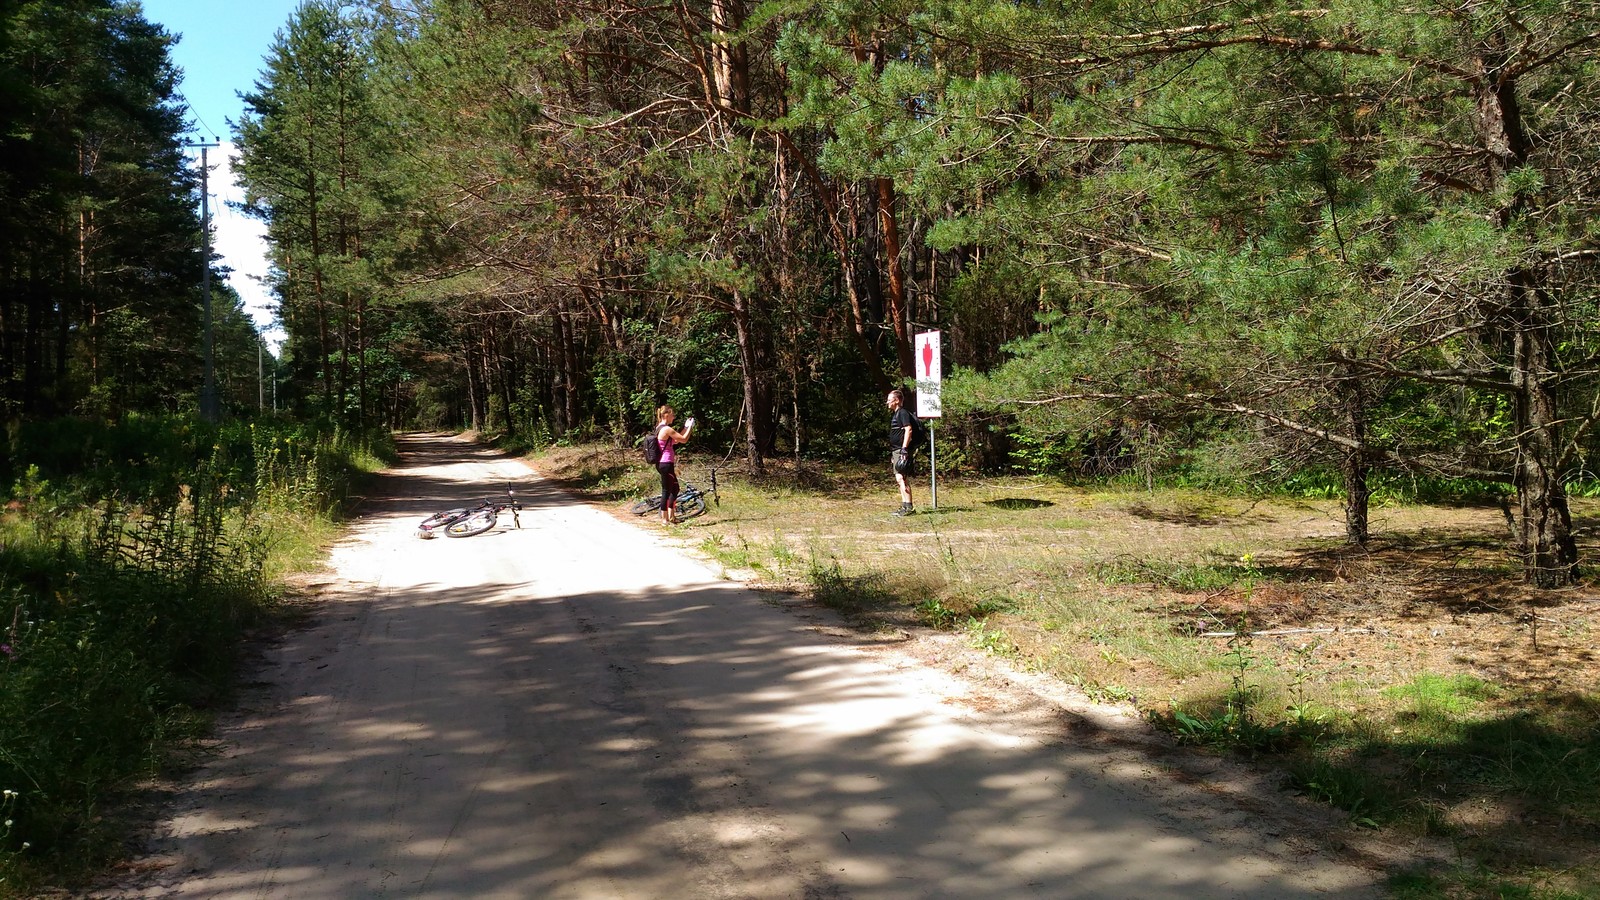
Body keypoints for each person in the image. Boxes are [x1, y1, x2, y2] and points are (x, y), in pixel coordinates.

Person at [654, 405, 694, 524]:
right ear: (666, 415)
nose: (674, 417)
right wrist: (690, 427)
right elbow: (684, 439)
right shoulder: (666, 429)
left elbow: (676, 440)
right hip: (665, 463)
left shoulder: (660, 428)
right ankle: (665, 519)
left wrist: (685, 427)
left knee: (675, 488)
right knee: (666, 490)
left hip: (664, 463)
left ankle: (671, 517)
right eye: (672, 414)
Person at [886, 388, 915, 516]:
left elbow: (908, 430)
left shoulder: (902, 413)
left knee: (901, 478)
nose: (887, 402)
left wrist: (904, 449)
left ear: (896, 400)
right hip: (896, 450)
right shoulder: (897, 414)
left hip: (901, 450)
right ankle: (905, 506)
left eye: (889, 400)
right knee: (900, 478)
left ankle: (908, 507)